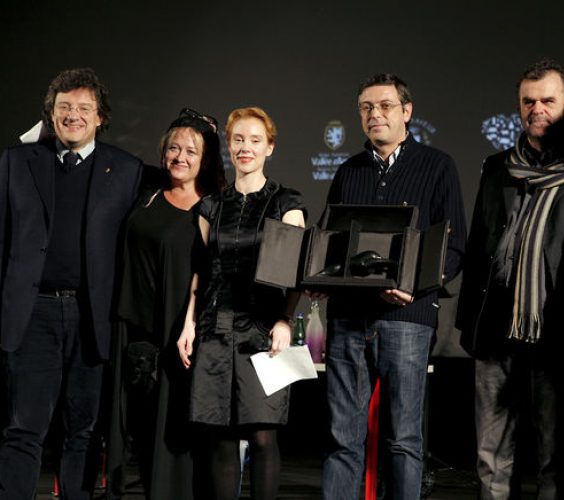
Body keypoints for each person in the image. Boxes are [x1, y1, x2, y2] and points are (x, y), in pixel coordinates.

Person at [456, 59, 564, 499]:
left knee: (555, 456)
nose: (537, 109)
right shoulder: (497, 167)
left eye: (548, 101)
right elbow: (479, 246)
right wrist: (468, 326)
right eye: (528, 101)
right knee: (491, 457)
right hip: (495, 330)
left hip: (558, 331)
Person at [321, 73, 467, 500]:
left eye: (385, 106)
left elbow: (454, 246)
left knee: (403, 439)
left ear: (407, 111)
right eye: (366, 107)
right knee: (342, 439)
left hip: (407, 317)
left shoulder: (438, 166)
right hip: (348, 319)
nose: (375, 114)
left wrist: (417, 288)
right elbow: (330, 241)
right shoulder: (348, 170)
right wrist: (319, 277)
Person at [0, 68, 142, 500]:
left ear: (101, 117)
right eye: (64, 107)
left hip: (92, 317)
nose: (73, 115)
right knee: (24, 429)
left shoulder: (127, 170)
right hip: (32, 314)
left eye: (84, 108)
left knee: (84, 431)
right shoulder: (16, 162)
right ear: (50, 114)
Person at [176, 107, 305, 500]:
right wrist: (189, 324)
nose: (245, 147)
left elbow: (296, 272)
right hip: (215, 328)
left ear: (269, 147)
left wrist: (285, 320)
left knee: (263, 436)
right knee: (221, 437)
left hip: (262, 329)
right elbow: (202, 270)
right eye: (238, 140)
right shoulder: (211, 206)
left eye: (254, 140)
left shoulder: (286, 202)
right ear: (229, 147)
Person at [108, 109, 225, 499]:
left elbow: (209, 272)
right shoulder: (148, 191)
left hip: (178, 333)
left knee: (170, 437)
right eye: (174, 148)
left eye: (191, 151)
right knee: (133, 430)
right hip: (131, 328)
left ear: (205, 159)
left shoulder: (211, 207)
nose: (180, 157)